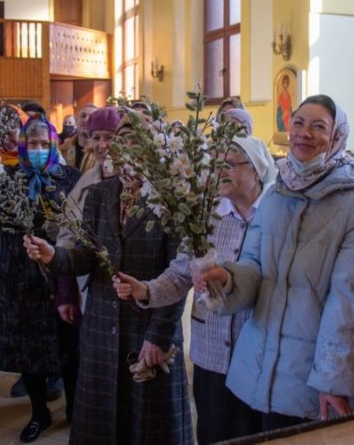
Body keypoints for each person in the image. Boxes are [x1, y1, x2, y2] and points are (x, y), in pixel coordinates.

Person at [200, 95, 354, 431]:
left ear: (337, 136)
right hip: (258, 365)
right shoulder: (277, 193)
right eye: (298, 123)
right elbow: (254, 265)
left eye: (318, 126)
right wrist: (228, 279)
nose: (304, 133)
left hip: (311, 376)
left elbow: (350, 298)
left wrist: (334, 379)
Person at [24, 113, 193, 445]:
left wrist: (159, 335)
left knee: (148, 425)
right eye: (122, 141)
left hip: (147, 325)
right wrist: (54, 256)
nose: (127, 149)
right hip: (102, 322)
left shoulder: (171, 198)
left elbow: (181, 273)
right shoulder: (101, 193)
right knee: (102, 421)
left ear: (155, 148)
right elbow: (89, 255)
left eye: (137, 142)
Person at [114, 134, 275, 443]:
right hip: (211, 353)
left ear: (256, 170)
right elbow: (179, 275)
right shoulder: (206, 216)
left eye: (229, 164)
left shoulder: (275, 216)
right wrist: (145, 291)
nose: (219, 172)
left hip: (258, 352)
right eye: (216, 165)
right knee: (215, 432)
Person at [0, 116, 81, 443]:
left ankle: (75, 410)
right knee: (29, 352)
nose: (38, 150)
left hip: (60, 277)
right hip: (21, 279)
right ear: (22, 145)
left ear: (54, 145)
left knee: (69, 350)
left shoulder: (70, 178)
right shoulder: (8, 177)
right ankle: (39, 412)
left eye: (44, 144)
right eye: (32, 144)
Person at [53, 106, 122, 423]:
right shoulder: (86, 182)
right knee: (90, 358)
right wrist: (66, 291)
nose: (103, 144)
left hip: (127, 291)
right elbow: (67, 237)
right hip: (88, 288)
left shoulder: (142, 181)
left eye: (111, 136)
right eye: (96, 137)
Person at [60, 104, 98, 171]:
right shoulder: (62, 150)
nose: (86, 120)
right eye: (83, 116)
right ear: (76, 120)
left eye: (91, 117)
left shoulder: (103, 152)